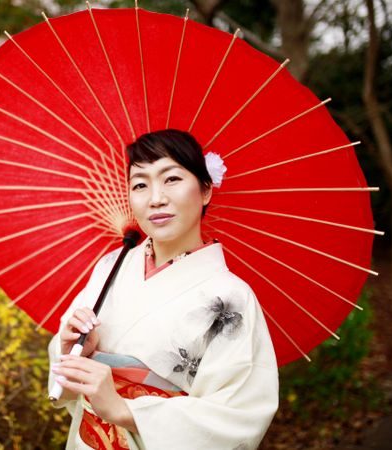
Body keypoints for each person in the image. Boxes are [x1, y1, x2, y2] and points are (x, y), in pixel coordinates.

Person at [47, 129, 279, 450]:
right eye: (140, 184)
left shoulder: (231, 299)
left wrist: (125, 410)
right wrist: (72, 349)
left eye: (171, 179)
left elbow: (238, 414)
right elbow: (69, 366)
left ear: (206, 190)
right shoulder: (113, 265)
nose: (156, 197)